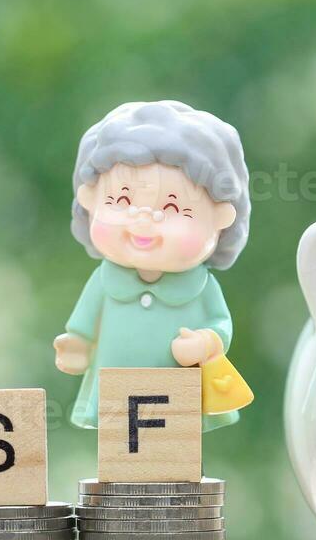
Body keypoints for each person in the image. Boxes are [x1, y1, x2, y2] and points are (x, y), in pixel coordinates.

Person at [53, 100, 251, 432]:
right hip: (115, 395)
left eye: (173, 207)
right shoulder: (104, 282)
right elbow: (84, 326)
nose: (143, 221)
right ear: (90, 202)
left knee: (174, 448)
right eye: (121, 201)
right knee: (122, 449)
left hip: (179, 399)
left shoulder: (201, 287)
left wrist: (207, 342)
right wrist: (77, 345)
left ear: (221, 219)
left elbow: (220, 324)